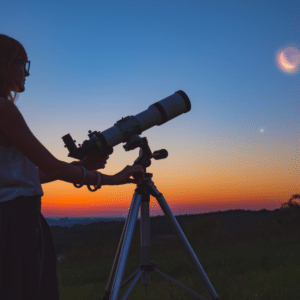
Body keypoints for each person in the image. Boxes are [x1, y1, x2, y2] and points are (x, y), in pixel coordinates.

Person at [0, 34, 145, 300]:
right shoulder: (4, 110)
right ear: (6, 63)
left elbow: (23, 175)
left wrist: (78, 165)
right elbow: (52, 168)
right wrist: (113, 178)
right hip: (16, 223)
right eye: (23, 64)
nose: (26, 73)